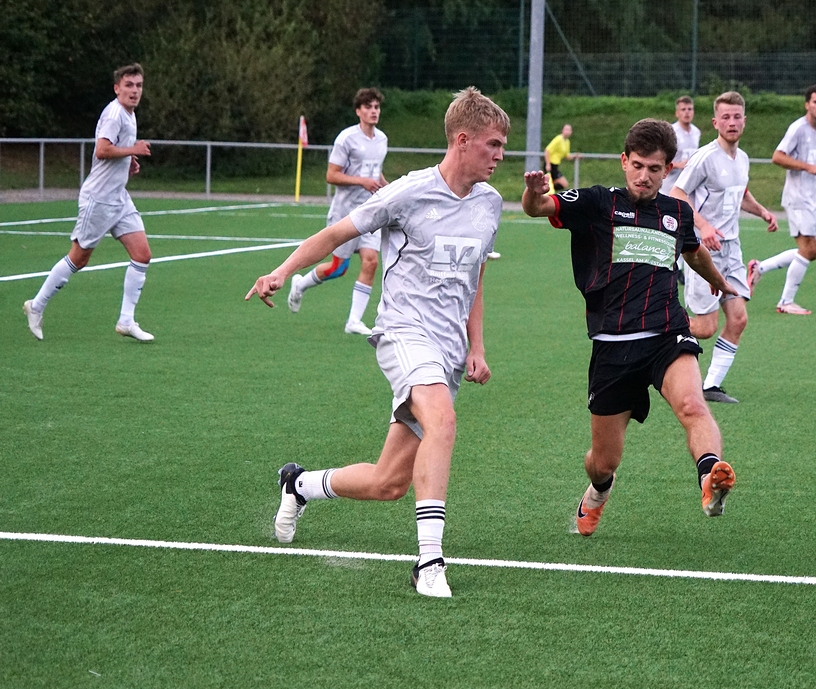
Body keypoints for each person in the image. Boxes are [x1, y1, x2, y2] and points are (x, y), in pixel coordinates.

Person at [246, 87, 508, 599]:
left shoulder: (490, 204)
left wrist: (476, 347)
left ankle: (299, 484)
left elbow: (474, 277)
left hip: (449, 350)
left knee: (388, 483)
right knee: (443, 421)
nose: (500, 155)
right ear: (462, 140)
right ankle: (429, 563)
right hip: (403, 332)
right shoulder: (407, 192)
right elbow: (335, 235)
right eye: (493, 144)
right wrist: (281, 271)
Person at [521, 118, 739, 537]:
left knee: (693, 405)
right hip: (612, 345)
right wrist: (533, 194)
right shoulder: (597, 202)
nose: (644, 176)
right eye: (637, 165)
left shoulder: (677, 212)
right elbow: (539, 208)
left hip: (666, 334)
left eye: (654, 169)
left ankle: (710, 475)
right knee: (603, 461)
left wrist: (718, 281)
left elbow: (693, 252)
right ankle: (599, 490)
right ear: (624, 161)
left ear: (668, 169)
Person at [23, 64, 153, 342]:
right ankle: (36, 306)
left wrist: (128, 161)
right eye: (129, 85)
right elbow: (102, 149)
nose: (134, 91)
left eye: (139, 85)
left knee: (142, 254)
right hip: (99, 199)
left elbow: (113, 151)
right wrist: (133, 149)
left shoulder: (129, 114)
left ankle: (126, 321)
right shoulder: (115, 114)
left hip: (118, 197)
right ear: (117, 88)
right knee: (79, 258)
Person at [669, 92, 778, 404]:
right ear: (715, 122)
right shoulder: (704, 157)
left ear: (744, 121)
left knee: (738, 319)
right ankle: (655, 327)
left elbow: (740, 193)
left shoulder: (742, 158)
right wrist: (703, 226)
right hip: (702, 251)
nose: (732, 122)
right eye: (726, 117)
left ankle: (710, 386)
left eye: (737, 116)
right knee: (704, 327)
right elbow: (677, 194)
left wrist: (762, 211)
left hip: (732, 250)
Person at [286, 88, 389, 334]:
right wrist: (361, 181)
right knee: (338, 268)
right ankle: (300, 285)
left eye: (376, 107)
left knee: (371, 261)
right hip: (345, 213)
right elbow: (331, 175)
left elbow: (375, 172)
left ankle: (354, 321)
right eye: (368, 107)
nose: (373, 111)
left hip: (370, 212)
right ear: (358, 111)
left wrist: (389, 190)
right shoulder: (346, 138)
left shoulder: (382, 139)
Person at [748, 84, 816, 316]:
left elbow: (813, 162)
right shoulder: (798, 128)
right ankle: (785, 302)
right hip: (797, 197)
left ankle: (759, 268)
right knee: (807, 249)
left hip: (811, 198)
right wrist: (807, 167)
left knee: (812, 251)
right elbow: (778, 157)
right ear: (807, 104)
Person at [659, 95, 701, 196]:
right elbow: (661, 159)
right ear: (677, 113)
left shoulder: (696, 132)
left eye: (689, 109)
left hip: (686, 186)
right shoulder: (671, 131)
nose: (687, 112)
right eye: (683, 109)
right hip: (669, 186)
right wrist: (679, 165)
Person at [544, 124, 577, 192]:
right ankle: (542, 190)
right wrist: (548, 164)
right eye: (566, 129)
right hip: (551, 164)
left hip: (555, 165)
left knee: (558, 184)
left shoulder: (567, 141)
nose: (567, 132)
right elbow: (547, 150)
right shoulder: (558, 139)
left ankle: (544, 191)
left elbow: (566, 155)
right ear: (562, 130)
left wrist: (575, 156)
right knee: (563, 183)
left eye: (569, 130)